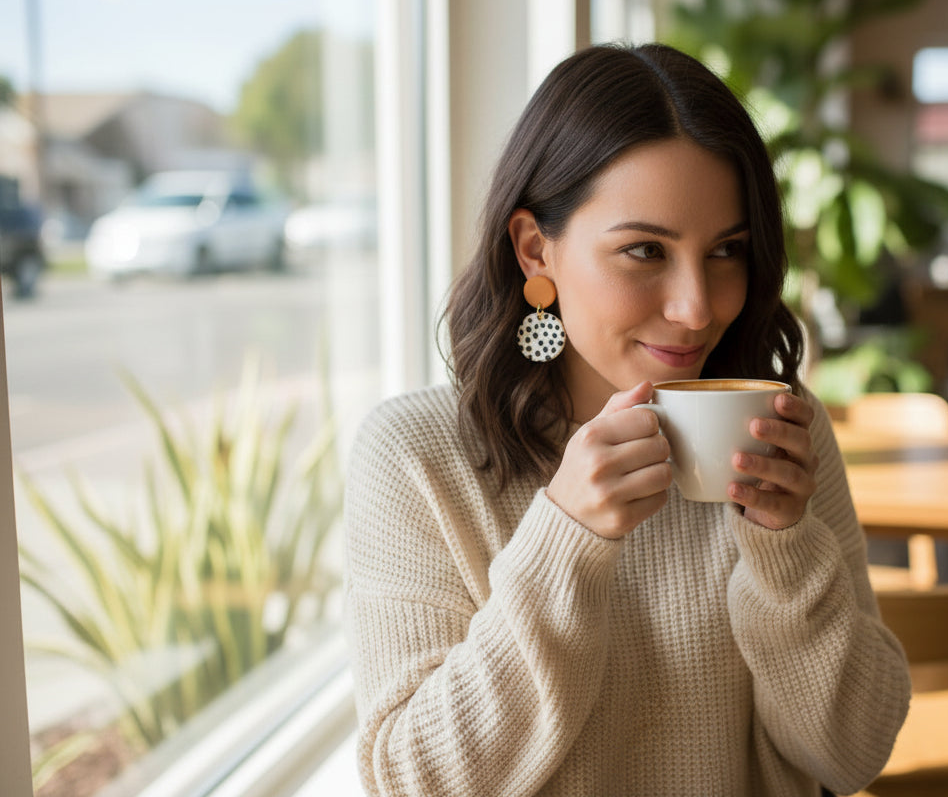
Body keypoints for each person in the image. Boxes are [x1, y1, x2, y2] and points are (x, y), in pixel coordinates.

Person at [344, 43, 910, 797]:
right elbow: (415, 783)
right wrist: (566, 539)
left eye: (727, 252)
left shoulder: (779, 435)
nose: (697, 307)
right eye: (645, 250)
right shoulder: (416, 458)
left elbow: (856, 753)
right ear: (535, 249)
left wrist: (785, 552)